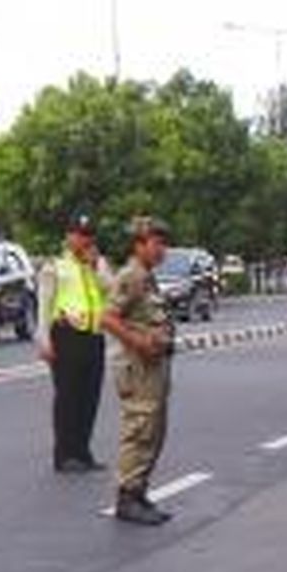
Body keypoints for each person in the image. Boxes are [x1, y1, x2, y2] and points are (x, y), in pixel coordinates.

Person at [102, 216, 175, 526]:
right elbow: (107, 318)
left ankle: (139, 491)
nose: (163, 250)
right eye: (157, 243)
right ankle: (127, 497)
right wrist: (139, 343)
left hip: (153, 367)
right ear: (139, 245)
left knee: (154, 431)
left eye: (164, 243)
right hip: (138, 367)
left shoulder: (146, 277)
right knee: (141, 430)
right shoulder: (130, 276)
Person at [36, 213, 113, 474]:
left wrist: (94, 267)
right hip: (66, 335)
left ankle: (83, 451)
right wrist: (44, 340)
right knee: (68, 397)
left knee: (90, 397)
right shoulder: (54, 266)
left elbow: (110, 291)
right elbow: (44, 306)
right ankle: (65, 454)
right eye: (80, 235)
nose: (84, 241)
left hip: (94, 336)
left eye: (89, 236)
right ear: (68, 237)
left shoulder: (98, 264)